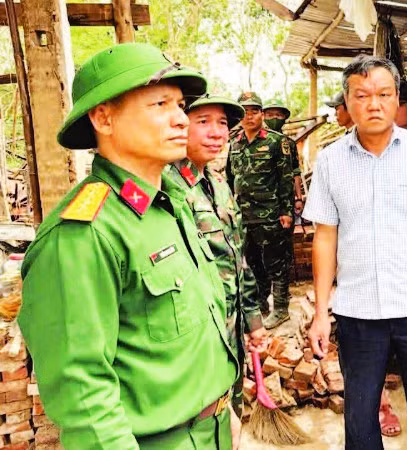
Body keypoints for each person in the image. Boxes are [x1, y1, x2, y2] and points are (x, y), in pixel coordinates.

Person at [18, 43, 239, 449]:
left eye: (180, 105)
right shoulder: (83, 235)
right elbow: (84, 397)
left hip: (213, 430)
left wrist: (223, 406)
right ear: (104, 117)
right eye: (159, 104)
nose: (180, 120)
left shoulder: (170, 202)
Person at [304, 55, 407, 450]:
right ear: (347, 102)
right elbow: (325, 237)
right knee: (359, 412)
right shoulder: (329, 161)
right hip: (358, 310)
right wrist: (321, 313)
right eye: (361, 95)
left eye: (382, 94)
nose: (373, 104)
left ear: (397, 100)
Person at [164, 95, 268, 425]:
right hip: (198, 339)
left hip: (231, 329)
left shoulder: (218, 183)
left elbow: (238, 257)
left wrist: (251, 319)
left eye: (222, 123)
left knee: (230, 418)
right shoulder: (166, 188)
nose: (217, 132)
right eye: (203, 121)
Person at [227, 92, 295, 329]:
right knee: (253, 263)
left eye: (254, 111)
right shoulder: (234, 142)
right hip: (244, 216)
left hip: (270, 214)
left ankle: (281, 309)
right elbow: (229, 178)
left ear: (262, 114)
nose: (249, 116)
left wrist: (287, 211)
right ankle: (261, 306)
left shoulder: (276, 142)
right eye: (244, 111)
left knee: (276, 264)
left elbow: (286, 179)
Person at [263, 98, 304, 209]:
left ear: (285, 117)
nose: (274, 118)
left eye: (278, 115)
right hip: (261, 203)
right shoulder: (256, 143)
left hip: (285, 203)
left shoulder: (289, 143)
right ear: (263, 116)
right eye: (270, 115)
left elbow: (295, 171)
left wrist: (298, 198)